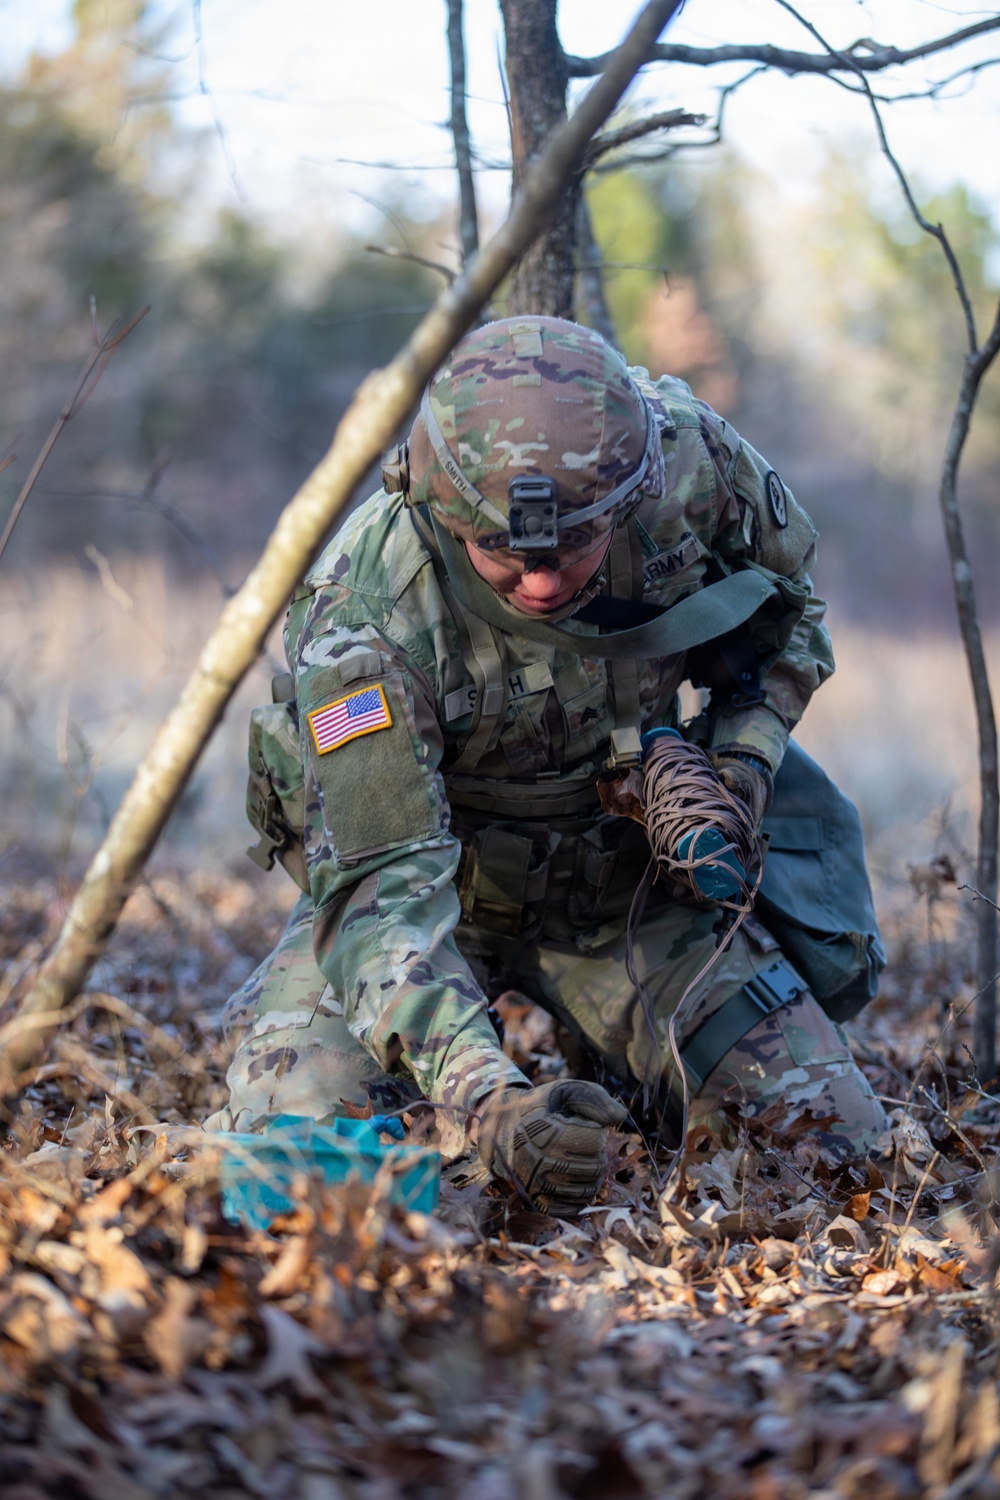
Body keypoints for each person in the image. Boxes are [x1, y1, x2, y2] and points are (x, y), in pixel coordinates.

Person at [216, 315, 887, 1216]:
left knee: (838, 1149)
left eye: (572, 545)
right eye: (502, 550)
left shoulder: (689, 466)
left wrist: (739, 763)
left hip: (630, 894)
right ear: (443, 509)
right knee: (297, 1164)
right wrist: (491, 1105)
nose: (539, 583)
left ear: (631, 493)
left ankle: (630, 1066)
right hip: (437, 904)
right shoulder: (366, 616)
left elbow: (792, 612)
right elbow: (385, 903)